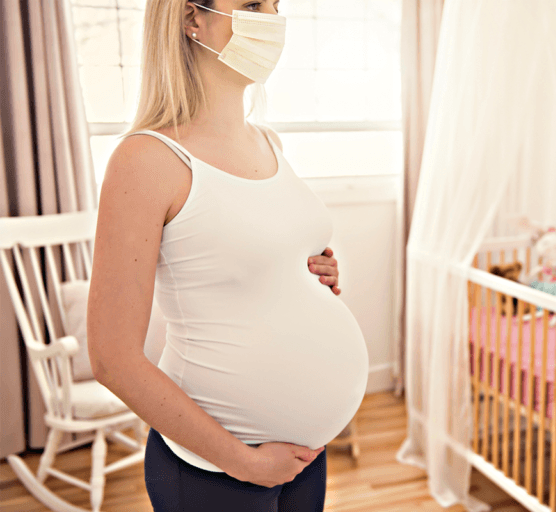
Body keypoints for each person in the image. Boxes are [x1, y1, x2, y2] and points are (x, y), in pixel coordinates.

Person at [86, 1, 369, 510]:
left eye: (277, 6)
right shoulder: (146, 160)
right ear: (192, 18)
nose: (274, 21)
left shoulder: (268, 141)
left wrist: (307, 274)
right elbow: (112, 358)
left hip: (305, 453)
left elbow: (251, 256)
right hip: (217, 468)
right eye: (254, 5)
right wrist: (247, 463)